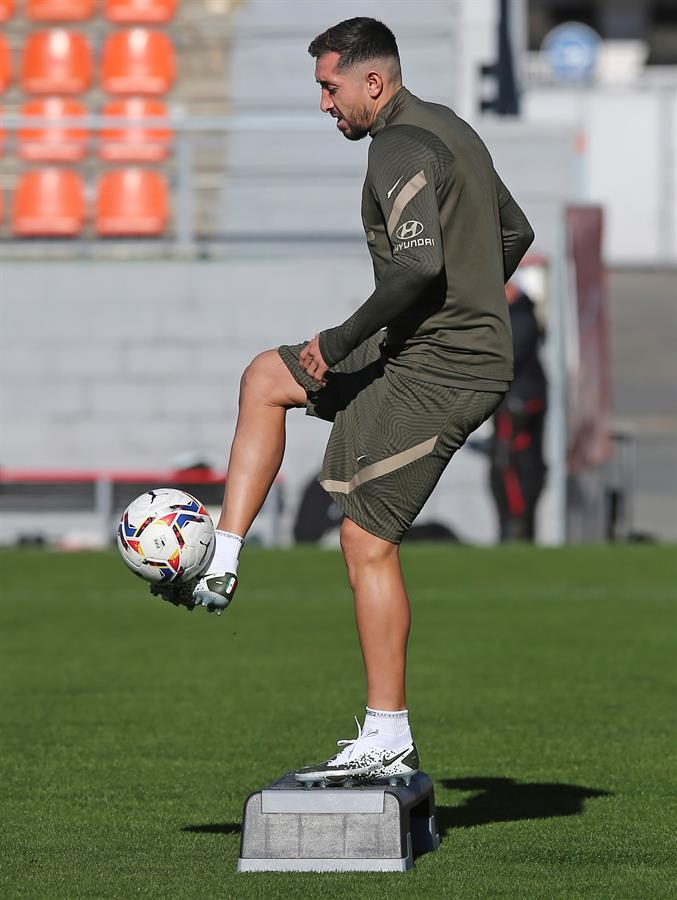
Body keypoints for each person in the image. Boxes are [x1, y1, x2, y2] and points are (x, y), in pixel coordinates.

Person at [155, 17, 534, 786]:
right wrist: (459, 301)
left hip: (446, 364)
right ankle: (221, 560)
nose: (324, 103)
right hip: (417, 343)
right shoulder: (447, 128)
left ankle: (387, 733)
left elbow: (417, 266)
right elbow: (514, 233)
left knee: (365, 539)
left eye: (330, 88)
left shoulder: (400, 144)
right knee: (267, 377)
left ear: (373, 81)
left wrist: (345, 336)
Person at [489, 282, 547, 541]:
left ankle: (517, 527)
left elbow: (504, 357)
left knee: (510, 464)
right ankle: (515, 527)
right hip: (516, 402)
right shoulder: (521, 316)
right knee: (508, 464)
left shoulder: (520, 318)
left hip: (517, 404)